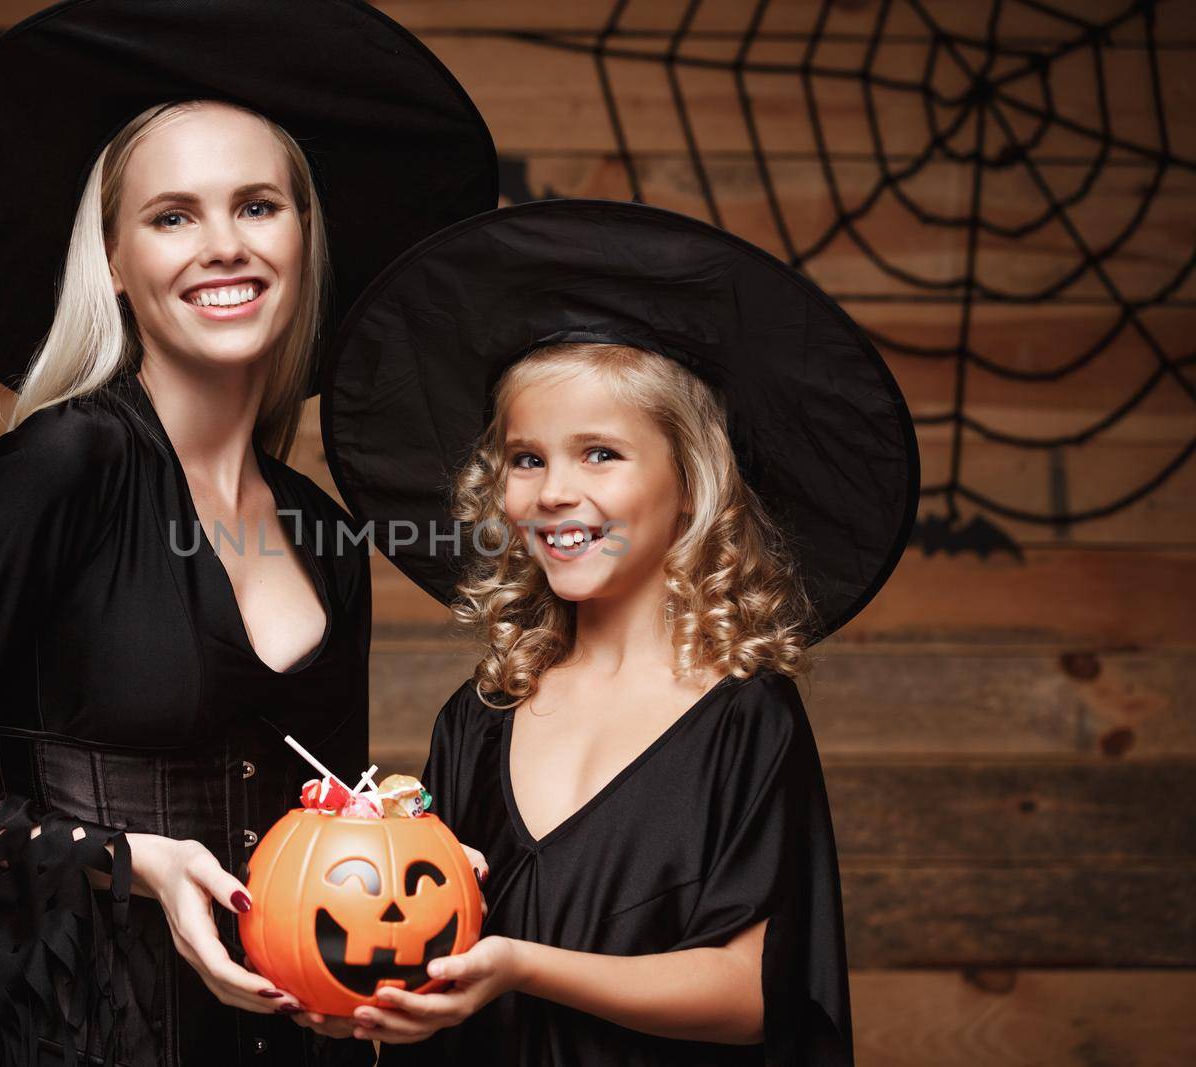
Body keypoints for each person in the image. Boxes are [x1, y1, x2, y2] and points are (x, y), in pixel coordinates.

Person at [0, 3, 497, 1066]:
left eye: (258, 205)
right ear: (116, 262)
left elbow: (315, 804)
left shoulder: (323, 531)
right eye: (173, 216)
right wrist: (132, 860)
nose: (225, 243)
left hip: (294, 1042)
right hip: (103, 1036)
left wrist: (396, 840)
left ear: (304, 235)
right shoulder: (61, 467)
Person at [314, 200, 919, 1064]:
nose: (555, 490)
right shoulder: (481, 716)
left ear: (689, 481)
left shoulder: (746, 719)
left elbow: (751, 992)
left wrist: (525, 965)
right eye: (528, 458)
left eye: (600, 453)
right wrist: (353, 993)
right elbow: (423, 934)